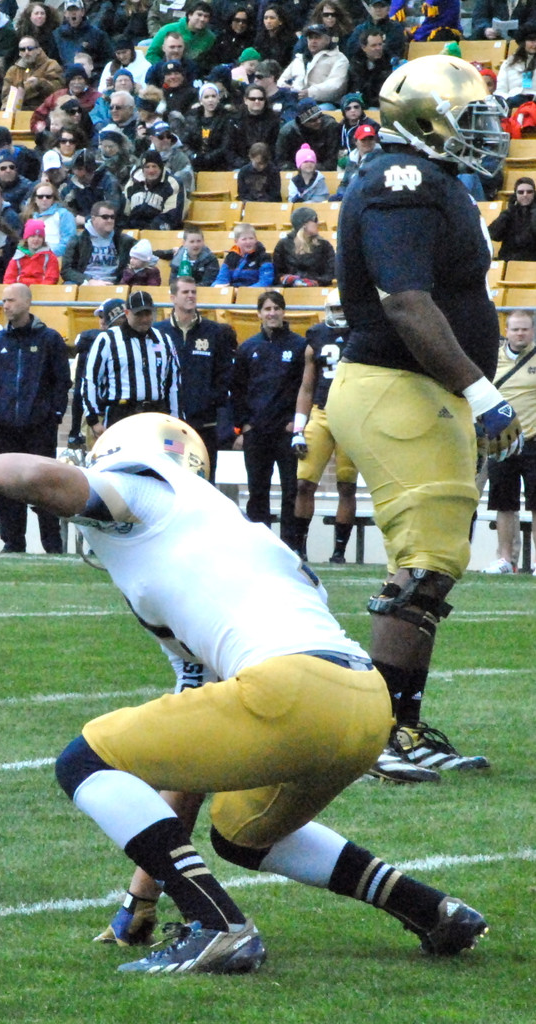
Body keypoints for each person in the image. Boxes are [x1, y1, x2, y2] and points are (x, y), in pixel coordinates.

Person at [0, 411, 490, 973]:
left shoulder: (145, 480)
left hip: (290, 688)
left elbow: (43, 480)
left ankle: (217, 924)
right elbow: (189, 772)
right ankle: (431, 909)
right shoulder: (224, 530)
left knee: (85, 761)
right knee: (241, 834)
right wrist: (142, 899)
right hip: (364, 702)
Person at [327, 54, 517, 782]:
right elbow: (405, 301)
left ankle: (400, 726)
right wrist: (479, 389)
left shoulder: (429, 181)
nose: (489, 134)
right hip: (397, 385)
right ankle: (380, 735)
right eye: (473, 119)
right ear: (424, 119)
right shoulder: (400, 182)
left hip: (415, 389)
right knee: (425, 565)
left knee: (430, 566)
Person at [0, 283, 71, 553]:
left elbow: (61, 382)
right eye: (4, 301)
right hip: (4, 428)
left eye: (11, 300)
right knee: (8, 487)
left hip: (39, 428)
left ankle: (52, 544)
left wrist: (53, 415)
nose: (5, 305)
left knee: (44, 486)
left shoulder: (49, 340)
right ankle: (12, 542)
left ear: (27, 303)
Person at [231, 290, 307, 552]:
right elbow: (238, 390)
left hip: (285, 431)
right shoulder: (248, 347)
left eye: (276, 308)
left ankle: (290, 548)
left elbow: (304, 388)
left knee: (290, 492)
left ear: (284, 312)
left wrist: (295, 424)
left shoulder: (299, 346)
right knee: (257, 492)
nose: (272, 313)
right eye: (267, 309)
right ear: (259, 314)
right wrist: (244, 426)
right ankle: (260, 548)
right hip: (257, 432)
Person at [290, 289, 359, 567]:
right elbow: (306, 387)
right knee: (304, 482)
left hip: (351, 415)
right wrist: (298, 428)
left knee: (347, 485)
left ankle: (339, 553)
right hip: (320, 412)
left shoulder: (363, 334)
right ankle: (300, 548)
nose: (340, 315)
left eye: (344, 308)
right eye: (336, 309)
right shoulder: (316, 336)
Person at [157, 275, 236, 477]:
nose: (190, 296)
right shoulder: (159, 332)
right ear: (173, 297)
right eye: (185, 292)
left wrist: (209, 400)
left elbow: (224, 373)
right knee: (172, 477)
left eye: (193, 292)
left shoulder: (215, 332)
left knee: (205, 476)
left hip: (205, 423)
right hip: (170, 422)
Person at [479, 308, 536, 573]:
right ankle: (505, 558)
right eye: (515, 328)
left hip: (534, 439)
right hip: (503, 441)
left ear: (532, 330)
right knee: (504, 503)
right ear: (507, 331)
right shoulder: (492, 358)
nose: (520, 333)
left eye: (525, 328)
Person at [83, 290, 180, 435]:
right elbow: (90, 379)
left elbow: (173, 382)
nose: (144, 319)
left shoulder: (164, 339)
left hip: (155, 413)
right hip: (120, 412)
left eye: (147, 314)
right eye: (138, 314)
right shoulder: (108, 339)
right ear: (127, 313)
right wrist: (93, 419)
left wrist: (175, 418)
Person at [65, 297, 127, 451]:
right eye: (100, 317)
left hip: (121, 411)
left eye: (104, 316)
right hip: (97, 413)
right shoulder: (92, 342)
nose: (101, 321)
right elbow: (83, 385)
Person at [60, 200, 135, 284]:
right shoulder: (78, 240)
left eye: (112, 217)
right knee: (69, 285)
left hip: (114, 283)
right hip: (86, 283)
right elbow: (66, 271)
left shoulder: (123, 240)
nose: (110, 220)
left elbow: (146, 253)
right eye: (105, 217)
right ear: (93, 219)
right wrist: (89, 281)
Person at [277, 23, 350, 108]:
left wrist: (309, 92)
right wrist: (287, 89)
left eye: (317, 37)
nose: (313, 41)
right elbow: (281, 80)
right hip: (295, 101)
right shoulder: (299, 58)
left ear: (328, 39)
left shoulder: (339, 58)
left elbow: (336, 85)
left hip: (324, 103)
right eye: (310, 38)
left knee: (316, 112)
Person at [122, 150, 185, 230]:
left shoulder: (173, 183)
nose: (151, 171)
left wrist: (150, 229)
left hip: (160, 230)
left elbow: (172, 216)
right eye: (147, 167)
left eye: (154, 166)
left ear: (161, 167)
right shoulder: (132, 183)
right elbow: (125, 212)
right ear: (142, 169)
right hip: (134, 229)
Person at [273, 206, 335, 286]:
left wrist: (315, 282)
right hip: (290, 288)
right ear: (304, 224)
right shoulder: (283, 245)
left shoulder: (324, 245)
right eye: (315, 220)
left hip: (316, 288)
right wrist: (291, 280)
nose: (318, 223)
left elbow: (330, 273)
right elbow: (278, 274)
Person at [275, 97, 342, 171]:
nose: (319, 121)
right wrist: (302, 169)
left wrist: (311, 169)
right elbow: (281, 161)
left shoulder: (330, 126)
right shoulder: (287, 132)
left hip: (324, 170)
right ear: (302, 122)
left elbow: (332, 159)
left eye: (320, 116)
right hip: (296, 170)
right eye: (313, 120)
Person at [3, 36, 64, 110]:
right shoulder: (13, 70)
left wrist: (40, 83)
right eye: (22, 49)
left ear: (38, 50)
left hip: (44, 111)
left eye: (30, 49)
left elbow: (58, 90)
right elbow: (5, 95)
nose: (26, 52)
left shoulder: (51, 65)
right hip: (18, 112)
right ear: (19, 53)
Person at [488, 176, 536, 262]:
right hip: (508, 260)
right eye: (521, 192)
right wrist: (509, 211)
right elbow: (494, 235)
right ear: (515, 195)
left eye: (529, 192)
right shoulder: (509, 213)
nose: (525, 195)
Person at [214, 222, 275, 287]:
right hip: (232, 292)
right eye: (244, 239)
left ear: (256, 239)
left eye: (251, 238)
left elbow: (265, 281)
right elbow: (221, 279)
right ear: (236, 242)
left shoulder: (264, 257)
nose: (248, 242)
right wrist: (216, 286)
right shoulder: (230, 257)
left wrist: (242, 292)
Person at [4, 219, 60, 284]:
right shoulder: (18, 257)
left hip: (41, 290)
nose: (36, 239)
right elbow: (9, 278)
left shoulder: (49, 257)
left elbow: (51, 277)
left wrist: (41, 289)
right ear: (26, 238)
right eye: (32, 236)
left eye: (40, 237)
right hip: (20, 290)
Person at [346, 28, 392, 109]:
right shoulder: (356, 63)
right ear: (364, 48)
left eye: (380, 44)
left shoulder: (389, 61)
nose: (378, 48)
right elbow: (355, 88)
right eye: (373, 45)